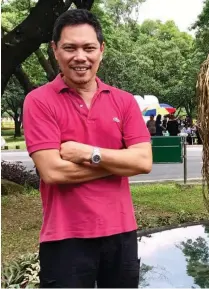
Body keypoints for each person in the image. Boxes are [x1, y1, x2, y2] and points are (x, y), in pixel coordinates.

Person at [22, 10, 152, 288]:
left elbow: (143, 161)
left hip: (121, 234)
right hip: (64, 237)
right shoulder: (39, 101)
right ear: (55, 50)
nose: (80, 56)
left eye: (89, 48)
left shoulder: (125, 101)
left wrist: (86, 153)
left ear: (101, 51)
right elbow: (53, 172)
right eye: (70, 47)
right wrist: (119, 163)